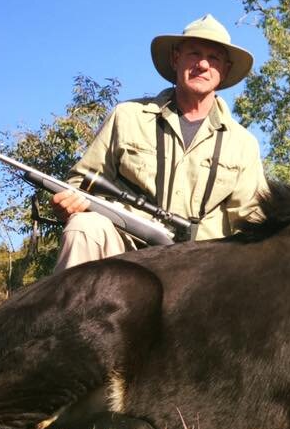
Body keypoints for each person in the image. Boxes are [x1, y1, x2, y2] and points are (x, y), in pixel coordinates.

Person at [52, 14, 267, 271]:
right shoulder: (127, 116)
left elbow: (255, 219)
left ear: (225, 70)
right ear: (176, 59)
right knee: (84, 228)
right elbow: (81, 184)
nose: (202, 64)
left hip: (201, 267)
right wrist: (69, 205)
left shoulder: (243, 143)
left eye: (214, 58)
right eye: (193, 54)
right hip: (125, 246)